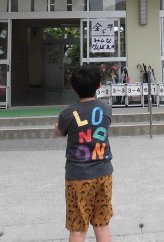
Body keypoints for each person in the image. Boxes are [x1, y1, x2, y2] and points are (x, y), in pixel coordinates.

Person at [54, 64, 114, 242]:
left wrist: (56, 128)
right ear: (99, 85)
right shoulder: (106, 109)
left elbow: (60, 132)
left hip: (78, 176)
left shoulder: (67, 114)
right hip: (104, 173)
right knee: (102, 224)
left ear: (73, 87)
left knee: (78, 228)